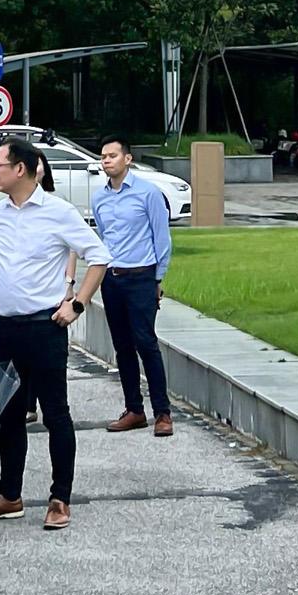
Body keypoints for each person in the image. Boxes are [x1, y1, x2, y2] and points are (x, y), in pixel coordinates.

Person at [0, 135, 108, 533]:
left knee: (55, 413)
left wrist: (76, 303)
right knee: (9, 415)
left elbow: (98, 256)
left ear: (22, 170)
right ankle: (9, 495)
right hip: (6, 329)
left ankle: (59, 497)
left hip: (45, 328)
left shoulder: (58, 212)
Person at [90, 135, 175, 437]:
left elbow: (162, 238)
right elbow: (103, 235)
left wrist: (157, 278)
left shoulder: (148, 193)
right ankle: (134, 409)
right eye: (103, 156)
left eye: (112, 155)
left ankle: (163, 413)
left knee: (146, 343)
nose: (107, 161)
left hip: (141, 277)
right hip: (112, 279)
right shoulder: (99, 198)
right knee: (122, 346)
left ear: (128, 159)